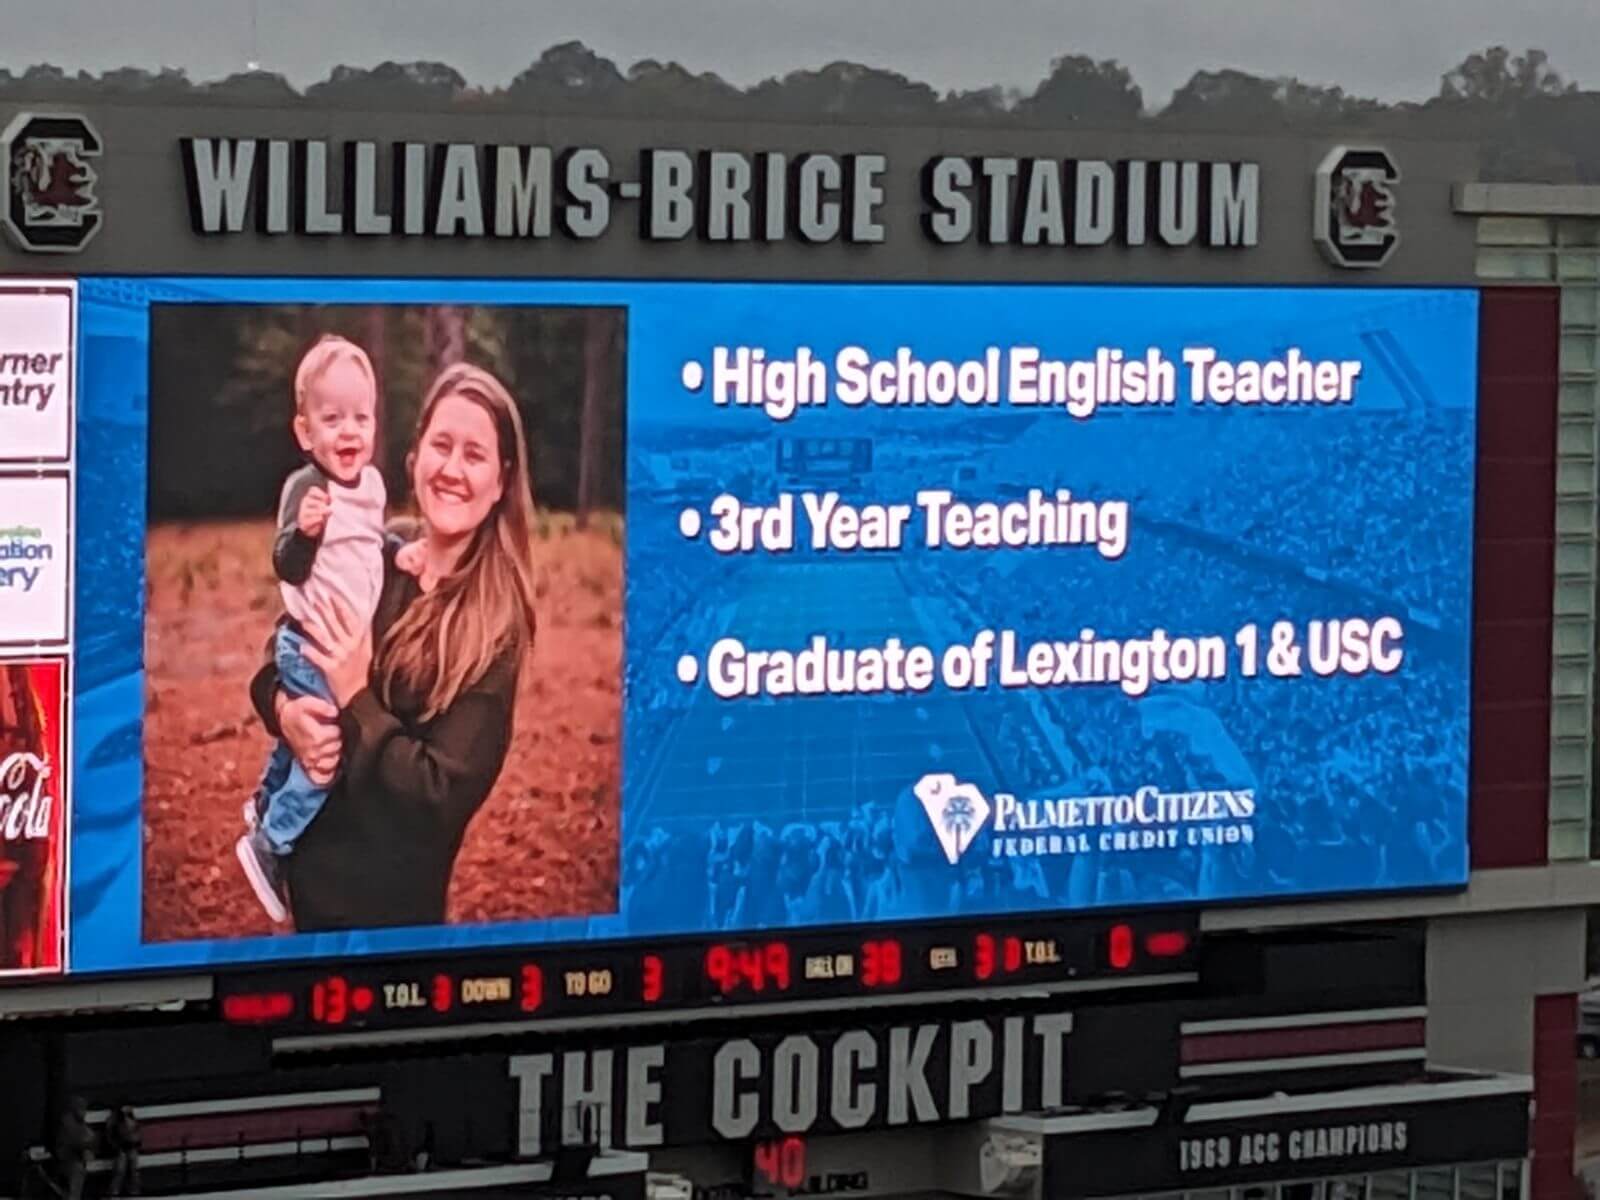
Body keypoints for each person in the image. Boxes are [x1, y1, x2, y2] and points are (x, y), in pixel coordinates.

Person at [248, 362, 540, 931]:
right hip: (310, 897)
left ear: (502, 479)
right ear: (414, 457)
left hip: (387, 918)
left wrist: (357, 697)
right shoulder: (380, 553)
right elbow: (283, 647)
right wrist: (286, 713)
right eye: (442, 445)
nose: (452, 469)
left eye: (474, 455)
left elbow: (438, 797)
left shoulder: (494, 628)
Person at [237, 334, 390, 925]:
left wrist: (398, 549)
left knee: (297, 737)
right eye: (332, 419)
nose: (349, 432)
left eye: (361, 417)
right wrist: (304, 531)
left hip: (334, 646)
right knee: (325, 756)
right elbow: (286, 563)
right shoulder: (308, 489)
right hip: (312, 645)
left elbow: (368, 546)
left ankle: (265, 801)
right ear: (305, 433)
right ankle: (270, 843)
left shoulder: (371, 486)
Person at [106, 1106, 141, 1197]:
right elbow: (110, 1137)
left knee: (134, 1171)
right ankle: (114, 1191)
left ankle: (134, 1190)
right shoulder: (113, 1120)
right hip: (120, 1149)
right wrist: (117, 1147)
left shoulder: (132, 1120)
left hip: (131, 1147)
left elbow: (138, 1135)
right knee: (120, 1171)